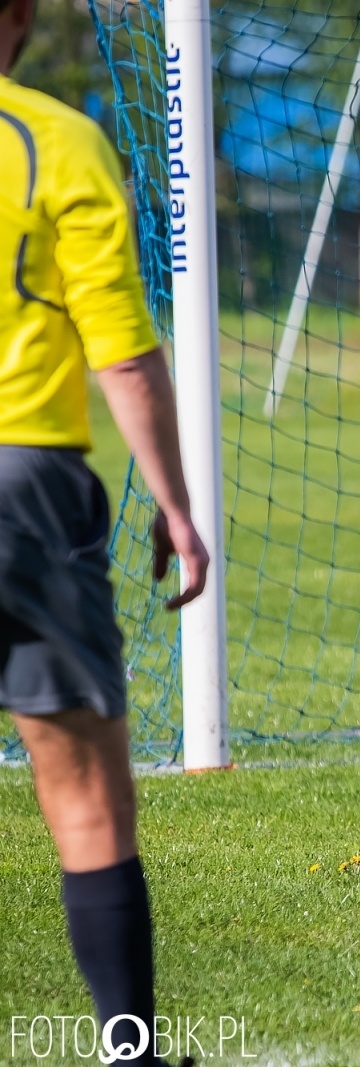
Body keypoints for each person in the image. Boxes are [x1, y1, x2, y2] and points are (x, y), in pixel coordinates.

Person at [1, 0, 210, 1061]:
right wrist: (174, 503)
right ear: (22, 17)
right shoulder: (54, 140)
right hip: (25, 488)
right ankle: (128, 1051)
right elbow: (122, 352)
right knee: (83, 791)